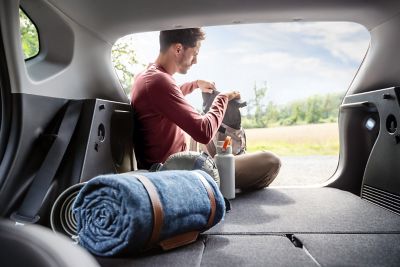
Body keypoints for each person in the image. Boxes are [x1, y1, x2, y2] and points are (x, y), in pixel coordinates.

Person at [131, 28, 281, 191]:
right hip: (174, 173)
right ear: (178, 49)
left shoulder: (146, 76)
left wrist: (195, 84)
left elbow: (168, 97)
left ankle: (229, 171)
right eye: (195, 53)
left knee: (203, 121)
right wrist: (222, 98)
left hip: (176, 163)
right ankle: (220, 186)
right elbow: (204, 132)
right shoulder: (158, 81)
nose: (195, 60)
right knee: (271, 161)